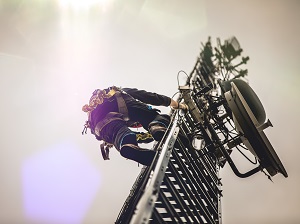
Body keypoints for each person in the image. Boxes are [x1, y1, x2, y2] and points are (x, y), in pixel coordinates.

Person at [82, 86, 188, 166]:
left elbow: (136, 136)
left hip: (99, 128)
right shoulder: (119, 92)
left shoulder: (93, 113)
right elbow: (150, 97)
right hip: (122, 103)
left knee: (121, 135)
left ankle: (129, 145)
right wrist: (176, 105)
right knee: (151, 116)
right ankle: (157, 125)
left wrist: (148, 137)